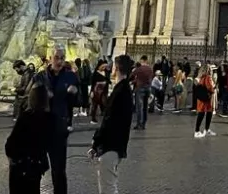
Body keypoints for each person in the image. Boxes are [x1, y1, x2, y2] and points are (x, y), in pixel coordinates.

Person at [5, 84, 64, 194]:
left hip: (21, 163)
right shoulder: (52, 119)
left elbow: (11, 143)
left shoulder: (26, 117)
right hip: (37, 163)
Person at [90, 55, 134, 194]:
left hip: (111, 145)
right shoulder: (124, 89)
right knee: (109, 185)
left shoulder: (121, 92)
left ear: (116, 68)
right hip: (116, 144)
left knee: (108, 187)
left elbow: (109, 121)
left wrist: (96, 142)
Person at [34, 48, 80, 134]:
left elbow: (77, 102)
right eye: (56, 58)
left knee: (59, 145)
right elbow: (31, 99)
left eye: (62, 58)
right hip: (43, 120)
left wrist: (74, 93)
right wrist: (43, 94)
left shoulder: (71, 77)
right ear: (50, 58)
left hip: (61, 120)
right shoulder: (40, 76)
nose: (59, 61)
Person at [130, 55, 153, 130]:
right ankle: (144, 123)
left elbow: (131, 76)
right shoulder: (150, 69)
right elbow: (150, 78)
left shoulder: (139, 69)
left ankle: (139, 123)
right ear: (147, 60)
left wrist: (131, 81)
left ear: (142, 60)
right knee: (145, 107)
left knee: (139, 107)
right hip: (148, 88)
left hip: (140, 89)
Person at [193, 64, 216, 138]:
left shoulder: (200, 77)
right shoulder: (208, 77)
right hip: (207, 98)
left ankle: (205, 130)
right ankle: (198, 131)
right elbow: (210, 87)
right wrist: (214, 89)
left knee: (204, 112)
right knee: (204, 113)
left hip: (201, 98)